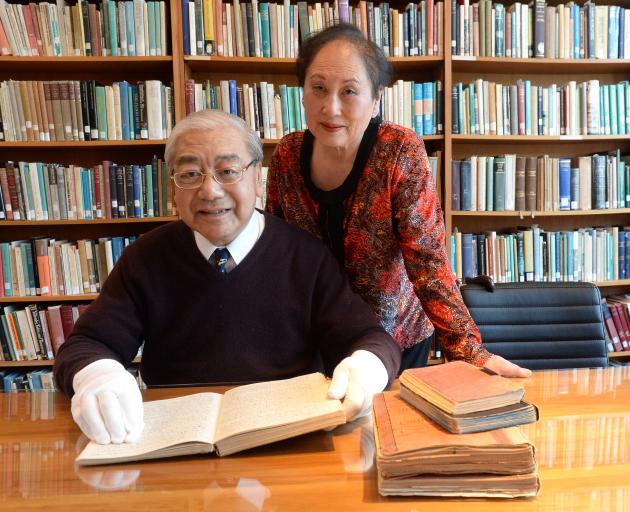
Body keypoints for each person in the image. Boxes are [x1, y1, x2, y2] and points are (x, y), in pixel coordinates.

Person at [54, 110, 401, 445]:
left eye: (228, 171)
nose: (210, 191)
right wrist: (96, 376)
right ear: (172, 186)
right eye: (190, 174)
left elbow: (370, 338)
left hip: (287, 439)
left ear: (256, 177)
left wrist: (367, 365)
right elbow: (86, 345)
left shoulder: (305, 256)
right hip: (177, 445)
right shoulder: (145, 258)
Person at [265, 24, 531, 378]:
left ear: (375, 100)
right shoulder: (287, 154)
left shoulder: (398, 150)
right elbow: (277, 251)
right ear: (302, 93)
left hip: (393, 340)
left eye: (349, 91)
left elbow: (427, 258)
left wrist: (468, 352)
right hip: (314, 336)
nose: (330, 107)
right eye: (318, 88)